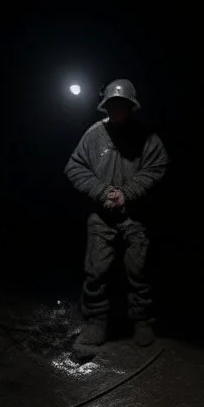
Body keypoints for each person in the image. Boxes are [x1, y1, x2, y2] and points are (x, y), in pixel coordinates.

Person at [64, 78, 169, 348]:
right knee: (96, 270)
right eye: (113, 105)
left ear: (132, 106)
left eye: (122, 104)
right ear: (105, 106)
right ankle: (96, 322)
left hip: (136, 215)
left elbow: (158, 167)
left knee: (139, 270)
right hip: (102, 215)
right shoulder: (93, 135)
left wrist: (128, 193)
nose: (117, 109)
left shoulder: (147, 137)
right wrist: (102, 192)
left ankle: (142, 320)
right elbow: (74, 167)